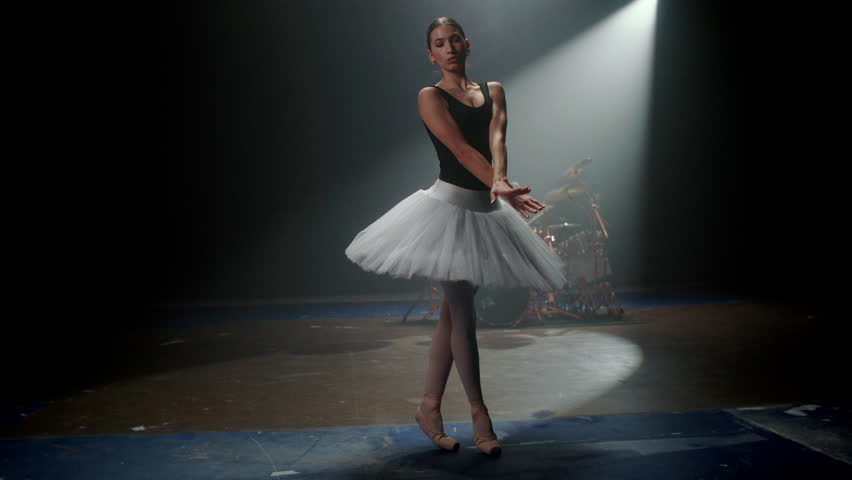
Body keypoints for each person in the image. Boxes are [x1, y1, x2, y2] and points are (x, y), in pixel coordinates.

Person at [344, 16, 568, 456]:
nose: (448, 49)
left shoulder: (495, 91)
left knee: (450, 316)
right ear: (431, 54)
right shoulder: (429, 96)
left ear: (468, 44)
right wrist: (496, 183)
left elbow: (496, 139)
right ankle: (480, 417)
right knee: (463, 315)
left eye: (454, 40)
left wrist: (500, 181)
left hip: (487, 214)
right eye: (438, 44)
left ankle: (428, 407)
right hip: (447, 212)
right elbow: (462, 151)